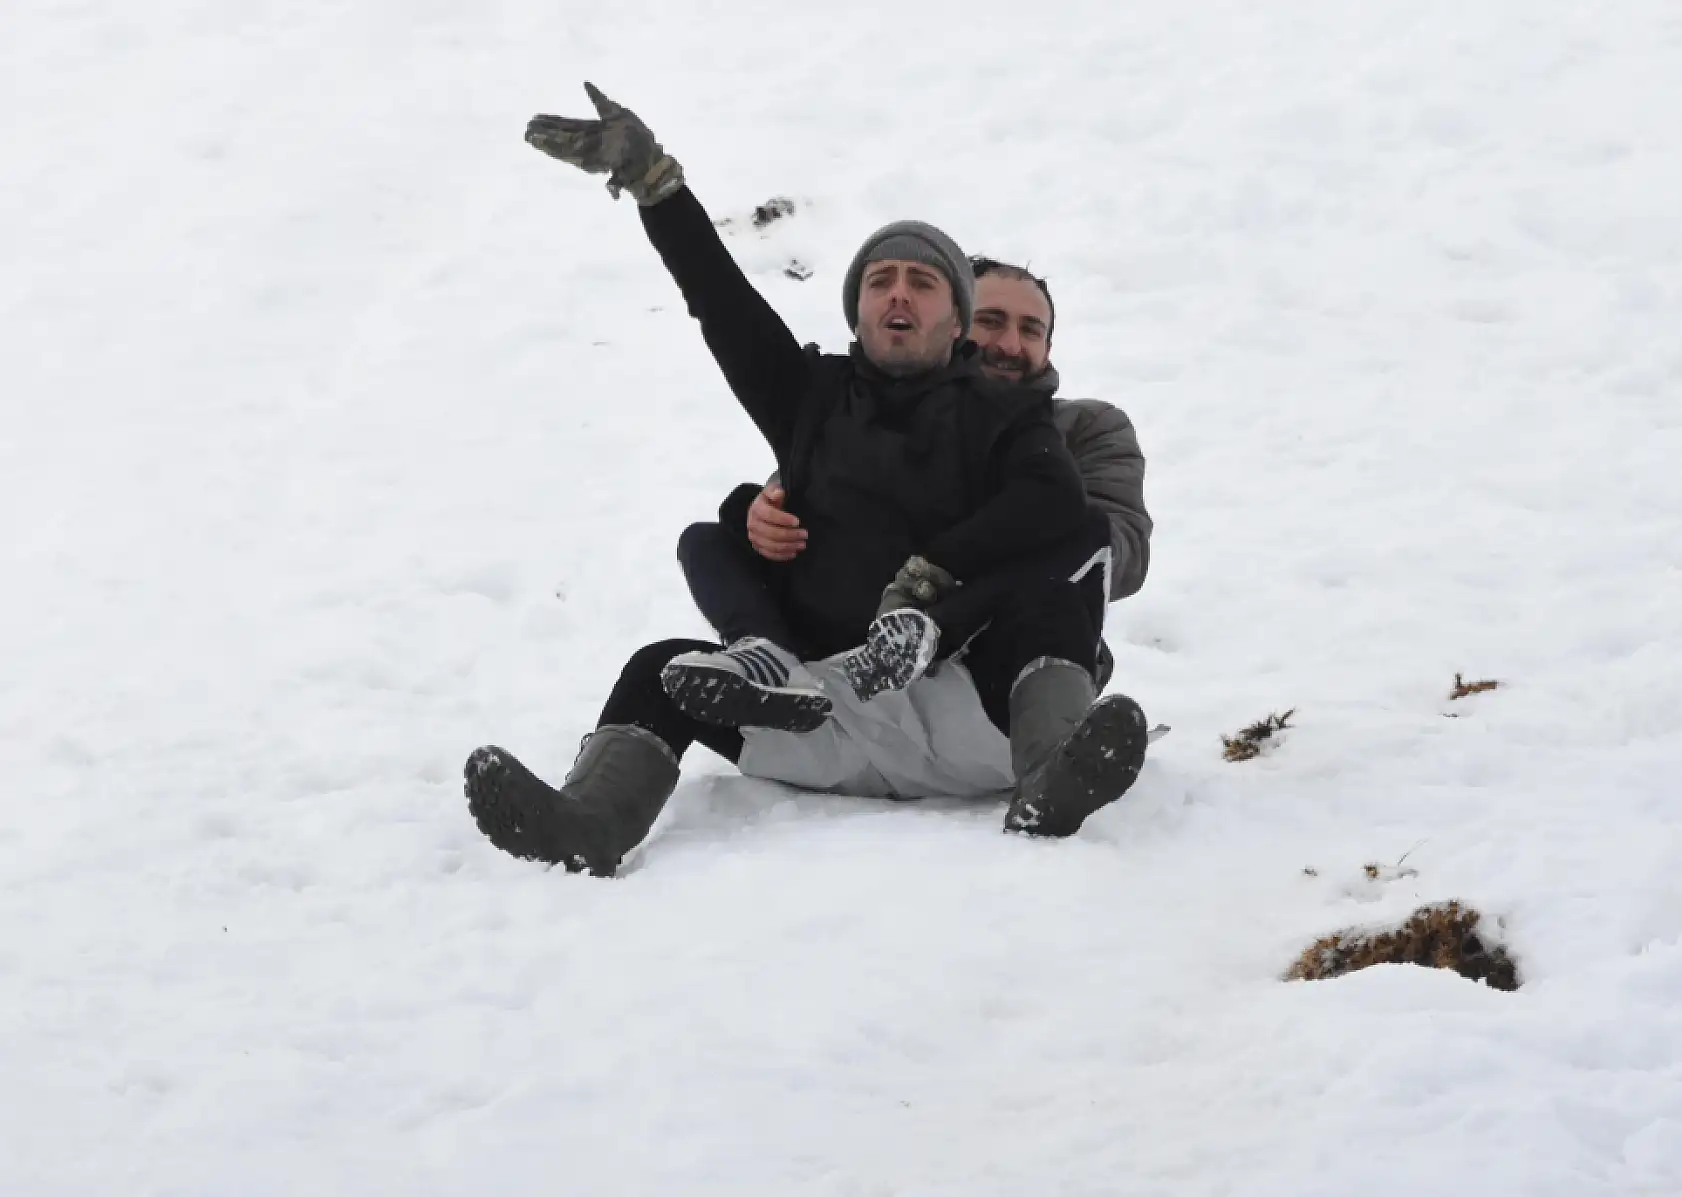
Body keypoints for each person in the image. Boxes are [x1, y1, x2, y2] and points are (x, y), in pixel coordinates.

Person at [463, 84, 1152, 877]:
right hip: (821, 709)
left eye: (923, 281)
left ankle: (1051, 773)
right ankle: (591, 820)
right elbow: (721, 302)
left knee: (1064, 568)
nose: (899, 292)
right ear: (857, 310)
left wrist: (929, 588)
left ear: (955, 322)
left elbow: (1068, 515)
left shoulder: (1013, 419)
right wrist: (656, 185)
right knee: (659, 663)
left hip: (975, 709)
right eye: (880, 280)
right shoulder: (810, 400)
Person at [676, 257, 1152, 689]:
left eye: (1031, 330)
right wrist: (768, 505)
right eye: (990, 321)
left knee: (1079, 544)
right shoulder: (878, 405)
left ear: (1048, 347)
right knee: (710, 538)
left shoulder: (1086, 426)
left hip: (1007, 649)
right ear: (952, 323)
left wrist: (998, 524)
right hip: (855, 633)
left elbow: (1121, 551)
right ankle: (770, 666)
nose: (1009, 344)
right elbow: (830, 493)